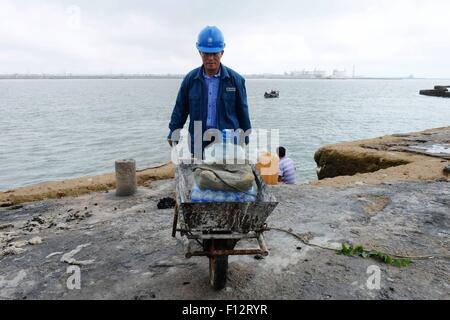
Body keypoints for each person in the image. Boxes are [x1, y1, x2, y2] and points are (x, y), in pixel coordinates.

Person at [167, 26, 251, 158]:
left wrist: (245, 137)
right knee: (200, 177)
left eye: (214, 54)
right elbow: (180, 109)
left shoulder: (236, 80)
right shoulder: (190, 80)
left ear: (222, 53)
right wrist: (173, 132)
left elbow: (243, 111)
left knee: (228, 177)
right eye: (206, 53)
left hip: (228, 142)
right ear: (200, 52)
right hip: (199, 141)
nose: (210, 58)